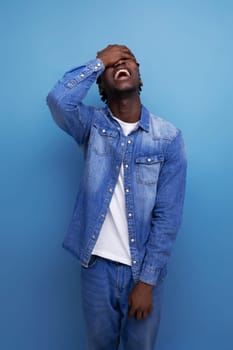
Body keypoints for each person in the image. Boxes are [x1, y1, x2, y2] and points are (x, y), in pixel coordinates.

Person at [47, 44, 187, 350]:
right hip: (96, 267)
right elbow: (58, 101)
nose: (119, 64)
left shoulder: (168, 138)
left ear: (138, 76)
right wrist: (98, 61)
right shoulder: (91, 126)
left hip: (143, 271)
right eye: (112, 65)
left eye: (127, 61)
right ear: (101, 84)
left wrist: (147, 281)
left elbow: (168, 217)